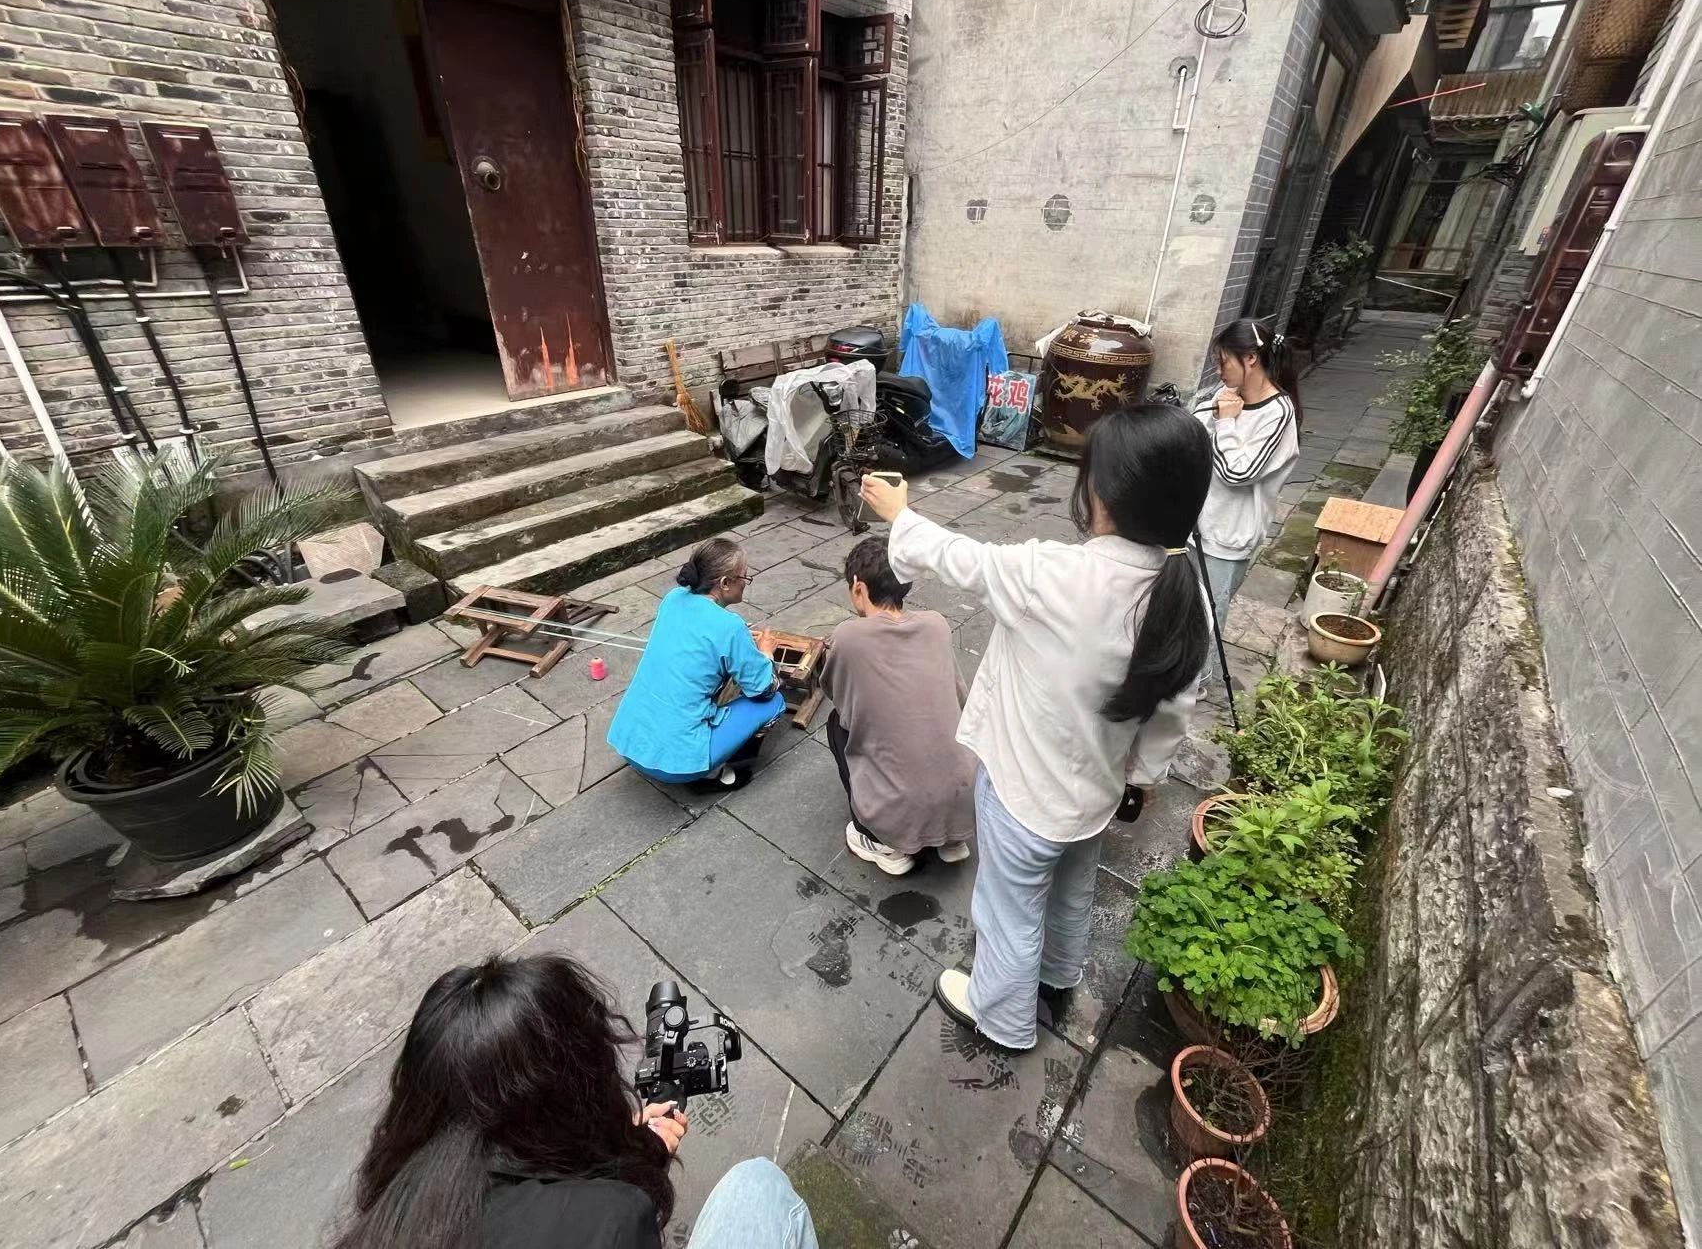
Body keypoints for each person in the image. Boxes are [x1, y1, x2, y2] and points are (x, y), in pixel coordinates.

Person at [859, 405, 1212, 1052]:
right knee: (1073, 889)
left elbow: (954, 556)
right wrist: (1142, 777)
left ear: (1103, 492)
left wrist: (900, 514)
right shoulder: (1181, 596)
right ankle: (1060, 973)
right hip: (1096, 791)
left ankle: (1002, 1018)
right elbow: (1173, 708)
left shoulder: (1052, 574)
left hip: (1024, 794)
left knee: (1008, 909)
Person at [329, 954, 818, 1249]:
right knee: (758, 1188)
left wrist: (628, 1149)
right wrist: (626, 1174)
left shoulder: (394, 1205)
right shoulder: (609, 1221)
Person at [819, 536, 976, 876]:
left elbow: (837, 697)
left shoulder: (848, 636)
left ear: (858, 588)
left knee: (836, 724)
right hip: (966, 797)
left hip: (899, 812)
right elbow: (960, 697)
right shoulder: (936, 624)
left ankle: (884, 843)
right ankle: (951, 837)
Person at [607, 537, 785, 789]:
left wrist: (736, 640)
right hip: (678, 765)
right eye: (744, 577)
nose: (745, 583)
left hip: (629, 744)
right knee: (773, 703)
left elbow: (695, 638)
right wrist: (766, 653)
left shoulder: (673, 598)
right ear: (725, 583)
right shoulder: (730, 627)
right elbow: (764, 688)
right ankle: (717, 773)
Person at [1190, 318, 1302, 672]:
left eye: (1223, 362)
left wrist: (1225, 422)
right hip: (1194, 525)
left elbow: (1238, 473)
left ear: (1250, 358)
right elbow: (1193, 438)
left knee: (1206, 619)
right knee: (1179, 609)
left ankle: (1197, 685)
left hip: (1228, 536)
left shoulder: (1279, 413)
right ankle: (1172, 677)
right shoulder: (1226, 396)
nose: (1218, 371)